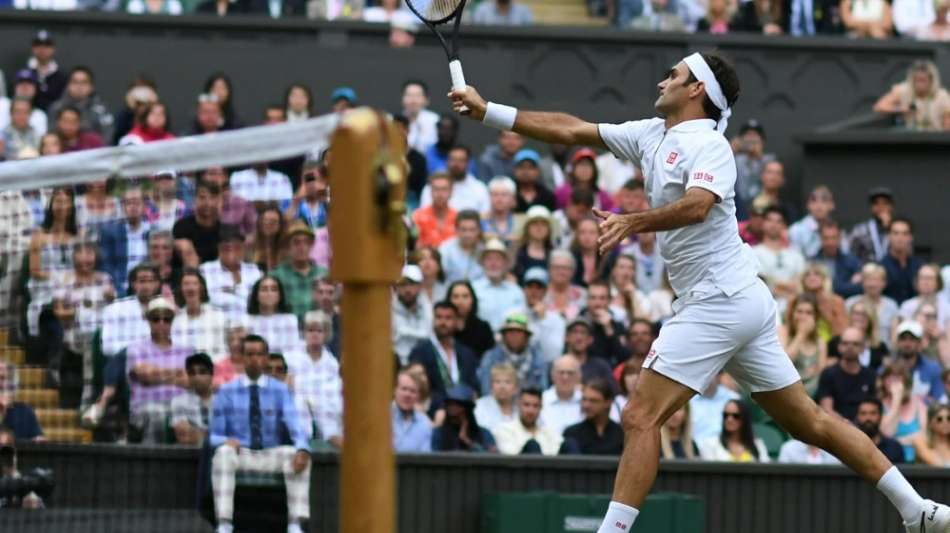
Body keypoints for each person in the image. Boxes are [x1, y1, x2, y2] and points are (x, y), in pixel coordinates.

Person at [449, 52, 950, 532]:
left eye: (675, 73)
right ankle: (917, 510)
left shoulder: (710, 145)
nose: (663, 79)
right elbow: (572, 128)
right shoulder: (651, 134)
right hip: (739, 300)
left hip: (719, 300)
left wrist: (632, 222)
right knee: (810, 422)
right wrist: (487, 110)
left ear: (696, 89)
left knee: (641, 414)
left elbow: (697, 206)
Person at [210, 334, 311, 533]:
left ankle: (295, 524)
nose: (254, 359)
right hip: (242, 455)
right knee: (222, 454)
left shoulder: (281, 390)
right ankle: (224, 524)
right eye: (249, 354)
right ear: (242, 358)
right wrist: (226, 440)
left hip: (270, 454)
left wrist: (302, 448)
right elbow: (213, 436)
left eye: (259, 354)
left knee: (298, 453)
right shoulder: (226, 391)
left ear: (266, 358)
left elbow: (296, 428)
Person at [126, 297, 191, 444]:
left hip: (180, 403)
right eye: (156, 319)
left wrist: (157, 374)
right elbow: (145, 376)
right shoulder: (136, 348)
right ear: (148, 320)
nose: (161, 323)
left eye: (166, 319)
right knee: (157, 414)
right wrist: (177, 373)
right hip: (146, 403)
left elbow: (189, 381)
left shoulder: (185, 350)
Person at [409, 301, 480, 419]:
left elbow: (474, 386)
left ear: (457, 321)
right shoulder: (420, 352)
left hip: (465, 412)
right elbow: (417, 388)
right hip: (434, 412)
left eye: (448, 318)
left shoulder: (467, 353)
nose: (443, 322)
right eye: (439, 317)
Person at [288, 311, 343, 447]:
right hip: (297, 409)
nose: (314, 334)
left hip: (325, 413)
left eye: (319, 330)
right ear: (304, 333)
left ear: (326, 334)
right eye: (310, 330)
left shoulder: (332, 363)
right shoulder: (290, 357)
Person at [199, 225, 262, 320]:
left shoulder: (254, 270)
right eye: (226, 247)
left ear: (243, 248)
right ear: (218, 248)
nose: (232, 251)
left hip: (250, 322)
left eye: (237, 247)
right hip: (216, 323)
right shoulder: (205, 270)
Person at [100, 263, 162, 357]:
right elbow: (107, 347)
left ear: (157, 284)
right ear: (133, 284)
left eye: (150, 281)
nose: (146, 286)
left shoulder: (166, 308)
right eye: (142, 281)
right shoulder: (114, 309)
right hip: (124, 363)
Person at [477, 312, 547, 395]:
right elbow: (486, 389)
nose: (514, 336)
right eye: (510, 332)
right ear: (503, 336)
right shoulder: (490, 357)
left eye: (519, 332)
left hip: (528, 405)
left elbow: (542, 389)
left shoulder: (537, 357)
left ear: (527, 337)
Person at [816, 327, 877, 422]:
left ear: (862, 348)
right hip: (836, 427)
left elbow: (874, 409)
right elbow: (826, 409)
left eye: (855, 344)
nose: (850, 347)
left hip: (865, 427)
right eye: (845, 343)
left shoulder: (871, 375)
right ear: (839, 346)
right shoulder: (828, 374)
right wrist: (847, 425)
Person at [98, 187, 150, 297]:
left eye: (137, 203)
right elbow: (107, 265)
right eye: (129, 203)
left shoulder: (152, 231)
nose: (133, 207)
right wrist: (119, 289)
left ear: (144, 206)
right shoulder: (110, 233)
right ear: (123, 207)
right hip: (122, 287)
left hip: (149, 287)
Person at [270, 221, 325, 323]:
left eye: (306, 242)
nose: (302, 247)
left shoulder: (323, 273)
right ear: (288, 247)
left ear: (311, 245)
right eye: (296, 242)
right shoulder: (276, 276)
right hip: (288, 329)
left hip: (318, 329)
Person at [753, 206, 806, 311]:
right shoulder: (752, 252)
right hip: (763, 308)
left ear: (785, 226)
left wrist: (773, 284)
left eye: (779, 221)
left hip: (793, 309)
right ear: (762, 224)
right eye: (769, 220)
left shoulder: (796, 255)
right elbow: (760, 285)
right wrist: (788, 287)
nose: (774, 225)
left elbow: (801, 286)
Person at [171, 268, 229, 362]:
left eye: (194, 284)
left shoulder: (218, 316)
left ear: (201, 288)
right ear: (181, 289)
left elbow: (223, 351)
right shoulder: (176, 321)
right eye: (186, 284)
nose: (190, 288)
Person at [873, 60, 950, 131]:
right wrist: (902, 109)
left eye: (923, 80)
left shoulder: (941, 96)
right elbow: (880, 106)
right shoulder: (904, 90)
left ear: (931, 80)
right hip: (910, 137)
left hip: (934, 137)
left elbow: (947, 124)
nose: (919, 85)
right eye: (916, 80)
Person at [779, 293, 828, 396]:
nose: (803, 317)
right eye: (799, 311)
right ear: (793, 313)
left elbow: (821, 373)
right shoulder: (783, 331)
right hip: (785, 389)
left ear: (816, 316)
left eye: (809, 313)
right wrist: (801, 334)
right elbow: (783, 364)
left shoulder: (820, 341)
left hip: (811, 392)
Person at [48, 66, 113, 143]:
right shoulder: (57, 108)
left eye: (84, 82)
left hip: (94, 151)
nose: (79, 87)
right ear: (68, 85)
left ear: (91, 87)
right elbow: (51, 137)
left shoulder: (101, 109)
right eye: (75, 82)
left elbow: (108, 136)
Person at [472, 238, 525, 331]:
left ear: (505, 263)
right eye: (489, 259)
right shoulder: (473, 289)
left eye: (498, 259)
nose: (493, 263)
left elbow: (521, 319)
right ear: (482, 262)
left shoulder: (516, 291)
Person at [562, 378, 624, 455]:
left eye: (593, 401)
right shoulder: (572, 434)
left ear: (608, 402)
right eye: (584, 399)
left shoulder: (621, 434)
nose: (586, 405)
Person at [880, 364, 929, 463]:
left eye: (898, 377)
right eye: (889, 377)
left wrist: (896, 440)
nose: (893, 381)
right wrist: (896, 401)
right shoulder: (879, 405)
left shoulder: (919, 404)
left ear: (906, 381)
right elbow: (887, 434)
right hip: (890, 461)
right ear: (884, 381)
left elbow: (924, 437)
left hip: (917, 461)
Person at [420, 146, 489, 214]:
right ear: (447, 161)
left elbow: (484, 216)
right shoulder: (431, 186)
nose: (456, 164)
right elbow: (424, 213)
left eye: (461, 160)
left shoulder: (480, 188)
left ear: (468, 163)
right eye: (453, 159)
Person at [493, 388, 563, 455]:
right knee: (532, 446)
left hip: (549, 466)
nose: (530, 411)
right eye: (526, 405)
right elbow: (512, 456)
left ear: (541, 407)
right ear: (518, 405)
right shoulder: (505, 429)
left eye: (535, 406)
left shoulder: (549, 432)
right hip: (519, 466)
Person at [519, 267, 567, 365]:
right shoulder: (512, 314)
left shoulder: (556, 320)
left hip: (545, 368)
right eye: (530, 286)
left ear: (545, 291)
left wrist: (543, 320)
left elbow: (553, 355)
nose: (534, 291)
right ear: (524, 289)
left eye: (538, 287)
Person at [846, 262, 900, 348]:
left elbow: (894, 336)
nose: (872, 284)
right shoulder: (850, 303)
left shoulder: (891, 305)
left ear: (884, 283)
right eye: (868, 280)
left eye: (876, 280)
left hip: (884, 352)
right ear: (863, 282)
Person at [432, 384, 497, 452]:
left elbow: (491, 459)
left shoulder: (484, 434)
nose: (452, 408)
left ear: (468, 409)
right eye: (449, 404)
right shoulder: (439, 434)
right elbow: (435, 459)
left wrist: (467, 441)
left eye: (458, 405)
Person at [698, 400, 770, 462]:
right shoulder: (710, 444)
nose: (729, 419)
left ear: (745, 419)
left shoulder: (758, 445)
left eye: (736, 416)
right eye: (726, 415)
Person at [246, 275, 301, 356]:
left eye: (274, 289)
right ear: (256, 295)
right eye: (264, 290)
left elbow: (293, 351)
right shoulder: (247, 321)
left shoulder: (290, 320)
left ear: (280, 295)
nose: (269, 293)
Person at [173, 180, 223, 268]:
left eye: (212, 197)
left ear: (219, 201)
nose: (208, 203)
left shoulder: (225, 229)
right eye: (202, 197)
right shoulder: (181, 227)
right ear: (194, 200)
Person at [892, 321, 944, 404]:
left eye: (912, 339)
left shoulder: (933, 369)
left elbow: (940, 400)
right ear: (898, 342)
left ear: (919, 343)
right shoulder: (888, 369)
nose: (907, 343)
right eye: (903, 338)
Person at [578, 281, 628, 365]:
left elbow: (623, 358)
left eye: (602, 298)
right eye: (593, 298)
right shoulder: (577, 324)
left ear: (609, 301)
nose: (597, 303)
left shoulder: (617, 326)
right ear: (587, 300)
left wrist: (609, 329)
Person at [171, 352, 215, 446]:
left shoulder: (223, 401)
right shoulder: (178, 401)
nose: (197, 377)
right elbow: (184, 436)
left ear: (211, 375)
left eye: (202, 372)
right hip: (190, 453)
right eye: (192, 373)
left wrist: (197, 432)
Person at [392, 265, 432, 366]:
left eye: (412, 284)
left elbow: (428, 335)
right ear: (396, 287)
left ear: (420, 286)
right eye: (403, 284)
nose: (408, 290)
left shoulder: (427, 308)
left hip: (421, 363)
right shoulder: (387, 309)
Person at [446, 280, 495, 358]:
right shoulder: (443, 328)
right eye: (455, 297)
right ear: (449, 300)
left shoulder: (483, 328)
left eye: (465, 296)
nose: (460, 301)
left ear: (472, 300)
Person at [814, 219, 863, 299]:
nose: (830, 242)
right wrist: (848, 285)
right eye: (826, 238)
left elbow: (860, 287)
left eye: (834, 238)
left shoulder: (851, 261)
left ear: (840, 238)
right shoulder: (813, 262)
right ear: (820, 239)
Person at [800, 262, 847, 341]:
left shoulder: (836, 301)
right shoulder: (796, 301)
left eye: (817, 274)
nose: (812, 277)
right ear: (803, 281)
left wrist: (826, 310)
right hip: (804, 343)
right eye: (807, 275)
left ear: (824, 279)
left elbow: (842, 332)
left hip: (832, 343)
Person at [882, 217, 923, 306]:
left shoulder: (920, 266)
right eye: (896, 233)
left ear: (910, 237)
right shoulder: (880, 267)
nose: (900, 238)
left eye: (905, 234)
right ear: (888, 236)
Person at [849, 187, 894, 264]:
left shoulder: (900, 230)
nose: (881, 207)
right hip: (867, 273)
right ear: (871, 207)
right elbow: (851, 256)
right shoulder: (859, 230)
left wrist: (889, 228)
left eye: (885, 203)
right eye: (876, 203)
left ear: (891, 206)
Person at [541, 355, 584, 434]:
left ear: (579, 376)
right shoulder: (541, 400)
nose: (565, 377)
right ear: (552, 375)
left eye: (570, 373)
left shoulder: (586, 401)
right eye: (561, 372)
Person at [413, 172, 458, 249]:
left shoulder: (458, 218)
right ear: (430, 192)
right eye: (436, 189)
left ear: (451, 192)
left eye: (444, 189)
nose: (440, 194)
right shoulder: (417, 217)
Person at [392, 369, 433, 453]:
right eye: (404, 389)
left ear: (418, 396)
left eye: (412, 391)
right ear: (395, 390)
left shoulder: (424, 423)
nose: (407, 394)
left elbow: (425, 459)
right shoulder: (382, 417)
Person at [788, 185, 835, 258]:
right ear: (808, 205)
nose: (819, 205)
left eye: (824, 200)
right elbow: (794, 260)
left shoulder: (836, 230)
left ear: (832, 205)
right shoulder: (796, 230)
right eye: (814, 200)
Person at [513, 205, 556, 283]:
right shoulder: (516, 253)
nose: (539, 227)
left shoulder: (555, 254)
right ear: (527, 228)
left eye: (543, 224)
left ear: (549, 229)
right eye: (534, 223)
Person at [438, 210, 484, 283]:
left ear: (479, 230)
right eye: (463, 230)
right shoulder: (446, 249)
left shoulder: (484, 249)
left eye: (472, 230)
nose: (467, 235)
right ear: (456, 229)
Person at [857, 398, 906, 465]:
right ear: (857, 416)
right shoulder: (850, 448)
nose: (868, 418)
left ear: (880, 416)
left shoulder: (894, 448)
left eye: (873, 413)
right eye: (863, 413)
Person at [606, 254, 652, 324]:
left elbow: (644, 324)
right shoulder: (605, 292)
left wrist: (633, 297)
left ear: (634, 273)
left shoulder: (639, 296)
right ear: (613, 271)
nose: (626, 272)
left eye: (630, 268)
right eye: (622, 267)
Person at [474, 362, 519, 432]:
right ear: (491, 386)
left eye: (507, 382)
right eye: (497, 382)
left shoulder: (522, 408)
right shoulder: (479, 406)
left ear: (516, 388)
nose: (502, 387)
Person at [545, 249, 587, 321]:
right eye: (556, 267)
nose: (561, 271)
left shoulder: (582, 294)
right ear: (549, 270)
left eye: (565, 268)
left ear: (573, 271)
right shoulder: (540, 294)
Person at [511, 148, 556, 213]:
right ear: (515, 170)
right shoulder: (508, 194)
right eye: (521, 167)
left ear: (538, 171)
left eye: (530, 167)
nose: (526, 171)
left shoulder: (547, 196)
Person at [481, 176, 518, 246]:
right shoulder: (480, 220)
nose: (499, 199)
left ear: (513, 198)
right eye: (495, 194)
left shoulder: (520, 221)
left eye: (504, 195)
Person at [412, 246, 448, 313]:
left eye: (432, 258)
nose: (427, 262)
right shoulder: (410, 289)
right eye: (422, 258)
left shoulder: (447, 289)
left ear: (439, 266)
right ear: (415, 264)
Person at [214, 321, 249, 389]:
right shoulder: (219, 366)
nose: (235, 344)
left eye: (241, 340)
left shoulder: (256, 364)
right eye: (231, 340)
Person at [251, 206, 287, 273]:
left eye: (273, 221)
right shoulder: (250, 247)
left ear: (280, 225)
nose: (268, 223)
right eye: (265, 220)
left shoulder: (286, 250)